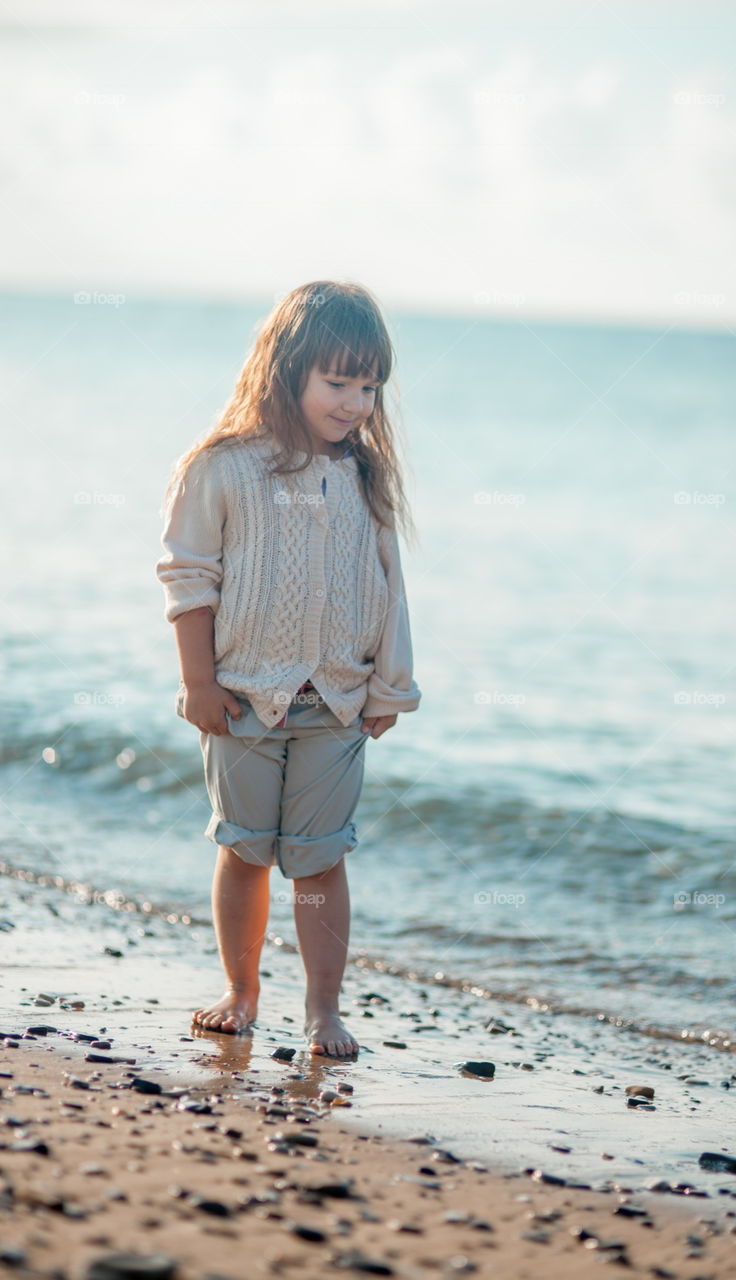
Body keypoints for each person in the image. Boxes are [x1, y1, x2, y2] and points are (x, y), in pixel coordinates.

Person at [155, 281, 421, 1057]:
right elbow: (188, 576)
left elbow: (388, 587)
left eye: (369, 385)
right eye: (337, 381)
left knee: (319, 859)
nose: (355, 402)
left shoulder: (364, 475)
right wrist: (199, 683)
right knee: (243, 849)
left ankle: (322, 1012)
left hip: (337, 701)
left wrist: (389, 685)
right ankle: (241, 990)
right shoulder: (226, 467)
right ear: (286, 371)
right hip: (241, 697)